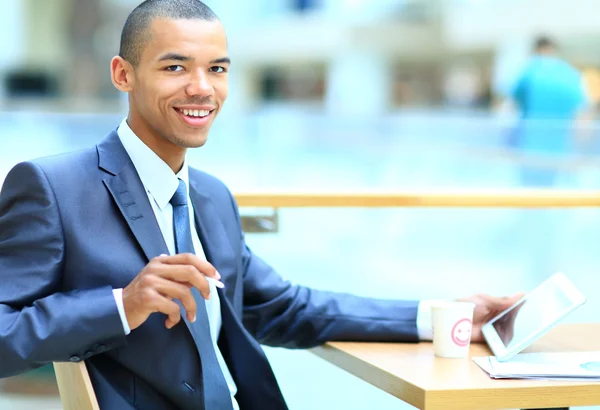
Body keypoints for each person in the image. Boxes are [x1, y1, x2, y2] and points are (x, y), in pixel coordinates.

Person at [0, 1, 521, 409]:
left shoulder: (211, 197)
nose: (201, 88)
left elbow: (288, 309)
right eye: (175, 66)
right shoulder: (52, 186)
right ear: (123, 74)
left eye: (218, 69)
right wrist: (122, 305)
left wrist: (445, 317)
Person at [510, 36, 589, 187]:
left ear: (535, 50)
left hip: (530, 144)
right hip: (561, 146)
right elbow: (582, 114)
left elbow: (510, 106)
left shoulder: (528, 72)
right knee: (556, 194)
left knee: (530, 193)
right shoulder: (570, 74)